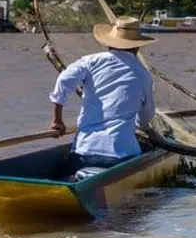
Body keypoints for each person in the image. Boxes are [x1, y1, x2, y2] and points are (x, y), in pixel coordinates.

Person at [48, 16, 157, 177]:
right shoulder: (143, 75)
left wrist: (57, 120)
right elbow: (145, 117)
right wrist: (138, 125)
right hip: (121, 155)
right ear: (137, 48)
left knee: (68, 173)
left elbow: (64, 80)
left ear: (109, 43)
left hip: (84, 152)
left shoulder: (90, 61)